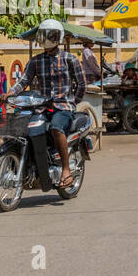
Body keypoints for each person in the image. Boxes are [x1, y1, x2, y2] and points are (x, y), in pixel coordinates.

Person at [11, 18, 85, 189]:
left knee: (56, 129)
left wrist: (74, 102)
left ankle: (66, 170)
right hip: (42, 107)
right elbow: (23, 81)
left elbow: (81, 84)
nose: (46, 38)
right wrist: (10, 92)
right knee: (24, 129)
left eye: (49, 35)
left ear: (57, 37)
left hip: (63, 107)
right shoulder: (36, 61)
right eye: (43, 34)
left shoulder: (70, 59)